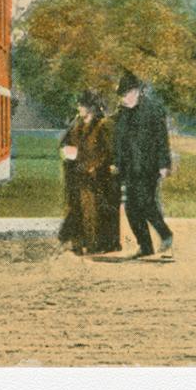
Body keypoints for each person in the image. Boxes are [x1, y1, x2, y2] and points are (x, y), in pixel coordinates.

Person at [112, 70, 174, 258]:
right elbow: (118, 141)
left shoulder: (152, 109)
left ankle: (165, 234)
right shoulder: (122, 114)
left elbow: (162, 138)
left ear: (138, 91)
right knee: (131, 208)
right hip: (130, 168)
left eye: (128, 93)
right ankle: (145, 245)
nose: (126, 98)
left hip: (149, 166)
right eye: (123, 95)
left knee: (146, 203)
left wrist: (164, 164)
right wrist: (116, 163)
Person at [58, 90, 121, 254]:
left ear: (91, 108)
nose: (79, 108)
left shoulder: (103, 125)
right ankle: (78, 243)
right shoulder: (76, 124)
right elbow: (64, 143)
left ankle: (96, 245)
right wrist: (67, 152)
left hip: (96, 175)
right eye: (79, 105)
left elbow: (109, 151)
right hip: (76, 172)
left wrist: (97, 167)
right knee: (76, 208)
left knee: (93, 210)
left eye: (82, 105)